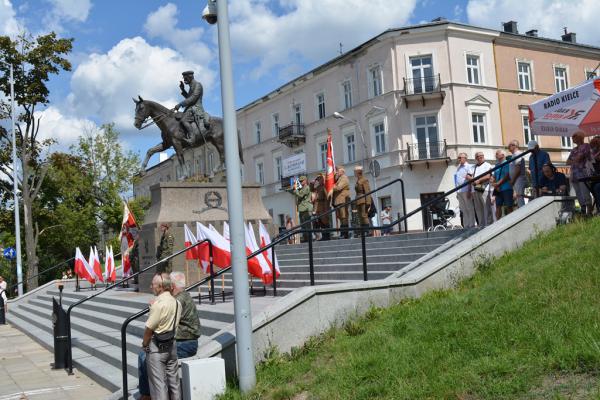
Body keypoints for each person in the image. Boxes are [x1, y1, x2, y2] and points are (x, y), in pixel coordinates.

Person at [141, 273, 181, 400]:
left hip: (156, 348)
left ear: (160, 287)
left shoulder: (158, 304)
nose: (151, 286)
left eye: (153, 284)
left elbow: (149, 329)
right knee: (174, 383)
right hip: (172, 344)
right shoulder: (177, 303)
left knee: (159, 385)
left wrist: (144, 344)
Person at [173, 70, 209, 144]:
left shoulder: (198, 85)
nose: (184, 80)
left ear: (190, 77)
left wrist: (180, 104)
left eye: (185, 78)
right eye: (184, 78)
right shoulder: (191, 86)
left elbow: (193, 99)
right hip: (190, 108)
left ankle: (192, 138)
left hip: (196, 108)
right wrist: (183, 90)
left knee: (184, 119)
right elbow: (189, 97)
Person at [567, 132, 594, 214]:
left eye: (574, 136)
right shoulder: (574, 149)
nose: (572, 138)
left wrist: (573, 160)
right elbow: (567, 162)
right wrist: (575, 160)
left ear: (581, 137)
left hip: (583, 174)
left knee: (585, 192)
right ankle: (583, 210)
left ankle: (589, 211)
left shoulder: (586, 146)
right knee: (578, 193)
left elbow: (579, 158)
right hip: (574, 174)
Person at [471, 151, 493, 227]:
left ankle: (489, 223)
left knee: (486, 206)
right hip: (476, 188)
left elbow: (488, 176)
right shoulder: (473, 167)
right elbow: (468, 176)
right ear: (476, 158)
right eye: (478, 157)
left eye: (481, 156)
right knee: (478, 208)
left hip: (484, 187)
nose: (480, 158)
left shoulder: (487, 165)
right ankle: (481, 224)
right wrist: (473, 180)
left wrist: (479, 180)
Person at [491, 149, 513, 220]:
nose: (496, 155)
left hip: (506, 188)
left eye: (497, 154)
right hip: (498, 189)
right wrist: (494, 183)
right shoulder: (496, 165)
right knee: (498, 206)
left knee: (508, 206)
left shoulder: (507, 163)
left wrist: (498, 184)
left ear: (503, 155)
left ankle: (511, 221)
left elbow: (507, 175)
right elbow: (494, 176)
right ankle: (498, 222)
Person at [454, 152, 475, 228]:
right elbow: (457, 179)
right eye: (458, 158)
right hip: (459, 191)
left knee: (469, 207)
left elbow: (470, 179)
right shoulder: (458, 167)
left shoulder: (469, 166)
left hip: (466, 190)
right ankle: (466, 225)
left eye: (460, 158)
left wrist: (469, 190)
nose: (458, 159)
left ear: (465, 158)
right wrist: (457, 192)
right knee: (463, 209)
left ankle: (472, 224)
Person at [291, 176, 312, 243]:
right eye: (300, 181)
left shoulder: (307, 187)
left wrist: (295, 190)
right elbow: (296, 193)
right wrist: (294, 188)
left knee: (307, 225)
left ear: (305, 181)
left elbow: (300, 195)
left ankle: (309, 239)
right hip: (302, 208)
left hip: (306, 208)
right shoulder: (301, 188)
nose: (301, 182)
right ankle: (305, 238)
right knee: (303, 225)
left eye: (302, 181)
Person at [332, 166, 351, 239]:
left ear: (342, 171)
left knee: (344, 217)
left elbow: (339, 187)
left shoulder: (344, 178)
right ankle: (343, 233)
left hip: (343, 200)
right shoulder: (338, 179)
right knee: (340, 217)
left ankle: (345, 234)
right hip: (339, 200)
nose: (336, 172)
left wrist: (331, 186)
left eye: (338, 171)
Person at [508, 140, 527, 208]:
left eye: (510, 145)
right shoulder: (514, 155)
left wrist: (513, 180)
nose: (508, 147)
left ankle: (523, 214)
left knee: (520, 198)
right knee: (518, 198)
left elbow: (518, 168)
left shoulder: (517, 154)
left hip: (518, 179)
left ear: (515, 146)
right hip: (516, 179)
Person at [354, 166, 372, 232]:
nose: (354, 173)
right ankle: (363, 231)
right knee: (360, 216)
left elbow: (367, 192)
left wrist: (368, 202)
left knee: (364, 215)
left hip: (363, 200)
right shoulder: (358, 180)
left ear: (358, 172)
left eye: (355, 171)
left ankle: (367, 231)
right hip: (358, 200)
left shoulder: (364, 180)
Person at [313, 175, 331, 240]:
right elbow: (311, 189)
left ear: (323, 179)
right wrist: (313, 182)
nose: (319, 180)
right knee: (320, 222)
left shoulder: (324, 187)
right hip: (318, 207)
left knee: (325, 222)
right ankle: (323, 236)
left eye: (319, 179)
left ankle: (327, 236)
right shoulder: (318, 187)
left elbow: (327, 197)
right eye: (318, 179)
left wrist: (326, 207)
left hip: (323, 206)